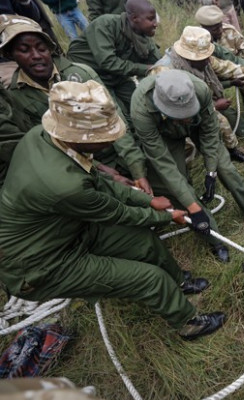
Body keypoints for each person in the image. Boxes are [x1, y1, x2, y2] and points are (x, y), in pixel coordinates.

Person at [0, 80, 226, 341]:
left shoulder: (45, 137)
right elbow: (117, 212)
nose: (108, 143)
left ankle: (180, 282)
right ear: (78, 137)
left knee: (143, 242)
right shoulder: (64, 185)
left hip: (67, 229)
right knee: (150, 279)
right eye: (103, 138)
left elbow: (98, 180)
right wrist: (165, 216)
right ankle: (189, 324)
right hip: (42, 264)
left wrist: (148, 201)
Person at [0, 15, 152, 194]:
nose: (36, 56)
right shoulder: (16, 96)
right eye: (24, 50)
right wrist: (101, 171)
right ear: (10, 54)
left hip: (118, 153)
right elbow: (49, 147)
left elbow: (115, 119)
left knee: (160, 190)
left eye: (41, 48)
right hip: (82, 168)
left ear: (50, 48)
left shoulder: (80, 73)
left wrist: (137, 170)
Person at [130, 69, 244, 261]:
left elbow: (209, 132)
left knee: (224, 167)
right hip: (166, 137)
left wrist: (211, 172)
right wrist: (194, 208)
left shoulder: (199, 89)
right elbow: (163, 162)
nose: (186, 117)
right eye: (181, 114)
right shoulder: (141, 109)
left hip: (199, 128)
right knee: (178, 188)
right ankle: (214, 240)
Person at [151, 26, 244, 162]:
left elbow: (226, 67)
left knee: (226, 117)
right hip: (176, 116)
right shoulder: (164, 71)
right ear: (187, 56)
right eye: (203, 58)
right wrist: (214, 107)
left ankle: (232, 150)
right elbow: (171, 110)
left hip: (199, 101)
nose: (208, 61)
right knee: (218, 122)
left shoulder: (200, 60)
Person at [67, 0, 161, 121]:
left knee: (140, 104)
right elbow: (108, 62)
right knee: (114, 114)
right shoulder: (105, 24)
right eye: (151, 19)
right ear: (134, 18)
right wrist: (146, 69)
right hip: (91, 75)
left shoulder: (141, 34)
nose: (155, 24)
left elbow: (158, 61)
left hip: (115, 74)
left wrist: (163, 68)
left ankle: (140, 134)